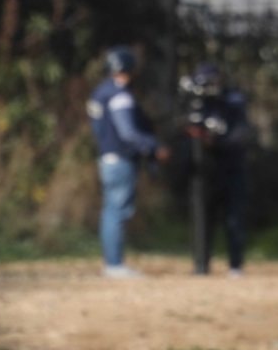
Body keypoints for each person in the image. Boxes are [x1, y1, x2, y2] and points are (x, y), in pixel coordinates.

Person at [87, 45, 170, 278]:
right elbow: (128, 132)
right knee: (117, 211)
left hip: (106, 157)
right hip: (120, 159)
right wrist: (152, 146)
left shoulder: (99, 93)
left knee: (111, 210)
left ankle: (112, 263)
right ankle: (114, 264)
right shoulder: (120, 96)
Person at [178, 62, 250, 276]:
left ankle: (235, 265)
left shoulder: (232, 102)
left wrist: (216, 140)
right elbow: (177, 129)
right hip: (203, 173)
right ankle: (201, 264)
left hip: (231, 169)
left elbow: (241, 135)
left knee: (233, 218)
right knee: (202, 219)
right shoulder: (194, 105)